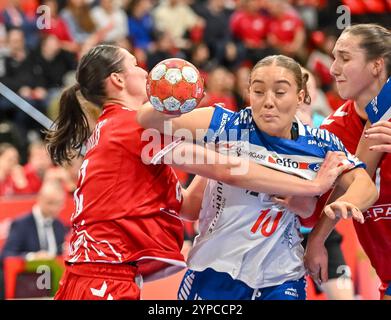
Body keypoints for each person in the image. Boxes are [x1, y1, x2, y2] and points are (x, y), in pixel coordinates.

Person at [45, 45, 346, 300]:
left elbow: (188, 206)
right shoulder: (133, 126)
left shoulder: (115, 128)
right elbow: (229, 169)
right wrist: (311, 184)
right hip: (104, 274)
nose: (144, 71)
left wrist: (227, 146)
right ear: (117, 80)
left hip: (98, 272)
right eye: (136, 66)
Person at [138, 55, 378, 300]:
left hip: (282, 276)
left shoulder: (319, 144)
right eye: (259, 91)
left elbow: (366, 186)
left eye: (280, 92)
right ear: (248, 93)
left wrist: (337, 212)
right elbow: (148, 119)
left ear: (301, 97)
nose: (268, 102)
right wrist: (168, 97)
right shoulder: (226, 125)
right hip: (214, 270)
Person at [303, 24, 391, 300]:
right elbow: (314, 207)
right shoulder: (332, 133)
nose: (332, 69)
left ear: (376, 65)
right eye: (333, 57)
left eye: (345, 58)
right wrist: (316, 238)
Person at [1, 181, 67, 260]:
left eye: (58, 204)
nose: (54, 208)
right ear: (39, 198)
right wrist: (32, 256)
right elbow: (6, 254)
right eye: (50, 203)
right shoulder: (21, 224)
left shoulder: (59, 225)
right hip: (30, 271)